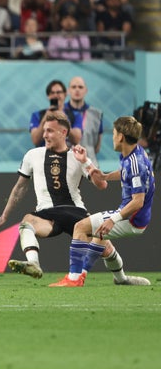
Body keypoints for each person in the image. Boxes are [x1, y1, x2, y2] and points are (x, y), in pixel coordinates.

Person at [0, 111, 110, 280]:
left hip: (75, 213)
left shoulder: (77, 156)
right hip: (48, 214)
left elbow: (102, 184)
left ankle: (121, 277)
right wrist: (3, 217)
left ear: (63, 133)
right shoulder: (32, 155)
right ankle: (33, 264)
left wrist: (86, 161)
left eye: (50, 131)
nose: (44, 135)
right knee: (26, 222)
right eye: (44, 130)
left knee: (105, 247)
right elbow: (19, 188)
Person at [49, 117, 153, 287]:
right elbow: (126, 172)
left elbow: (138, 201)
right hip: (134, 216)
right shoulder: (134, 153)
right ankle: (120, 279)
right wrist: (105, 176)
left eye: (113, 133)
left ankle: (74, 279)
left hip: (133, 217)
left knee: (80, 227)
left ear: (121, 137)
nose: (112, 137)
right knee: (99, 238)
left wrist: (114, 220)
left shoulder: (136, 164)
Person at [28, 79, 81, 147]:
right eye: (52, 93)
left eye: (58, 92)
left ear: (65, 94)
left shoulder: (75, 115)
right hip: (44, 155)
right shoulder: (37, 115)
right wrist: (45, 119)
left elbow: (76, 140)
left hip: (66, 155)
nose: (55, 95)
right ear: (48, 96)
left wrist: (65, 120)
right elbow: (35, 141)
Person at [66, 76, 103, 165]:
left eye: (80, 87)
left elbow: (97, 147)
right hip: (67, 164)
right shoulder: (60, 113)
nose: (77, 90)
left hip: (89, 165)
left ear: (86, 90)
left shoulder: (96, 114)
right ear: (68, 91)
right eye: (74, 87)